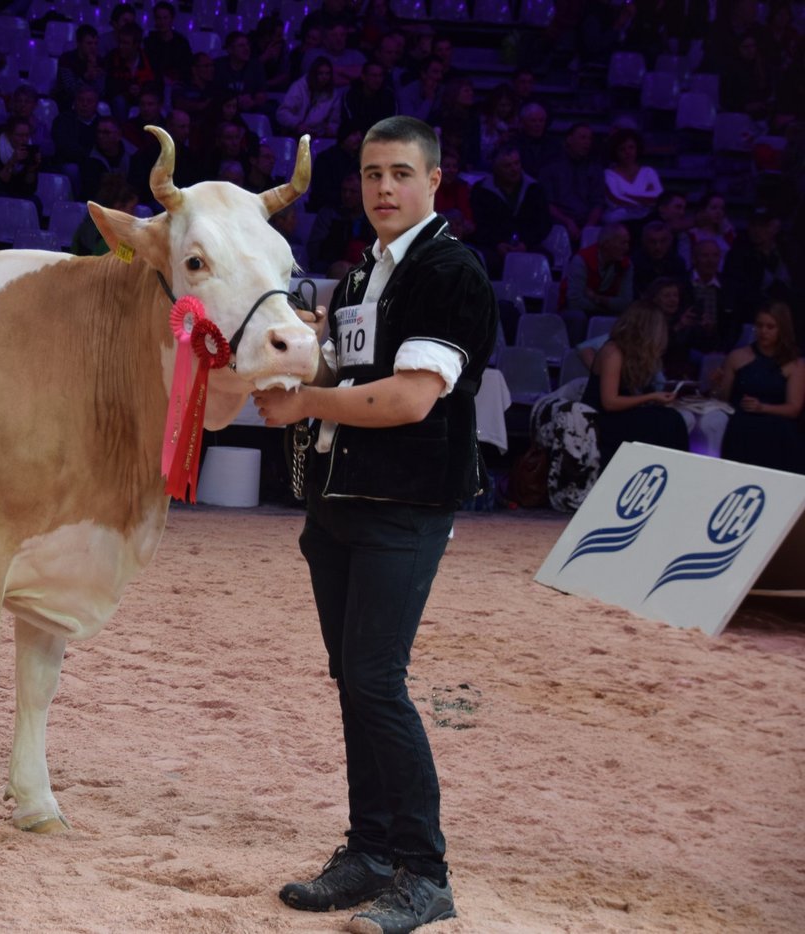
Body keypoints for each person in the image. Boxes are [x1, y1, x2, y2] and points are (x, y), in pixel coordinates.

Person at [254, 115, 496, 934]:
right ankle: (370, 852)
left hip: (405, 506)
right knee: (356, 680)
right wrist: (303, 352)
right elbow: (352, 371)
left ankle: (425, 873)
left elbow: (407, 399)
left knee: (377, 681)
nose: (383, 189)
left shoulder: (448, 271)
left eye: (399, 173)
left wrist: (304, 400)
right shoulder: (362, 274)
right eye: (369, 175)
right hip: (340, 503)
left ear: (434, 180)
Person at [582, 300, 690, 464]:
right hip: (601, 419)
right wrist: (651, 397)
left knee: (672, 418)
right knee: (667, 422)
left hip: (622, 414)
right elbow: (609, 402)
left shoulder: (634, 353)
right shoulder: (613, 352)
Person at [716, 301, 805, 473]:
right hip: (742, 422)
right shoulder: (738, 356)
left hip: (778, 423)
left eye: (770, 327)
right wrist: (716, 385)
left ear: (782, 329)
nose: (763, 331)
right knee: (740, 426)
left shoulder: (795, 364)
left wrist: (762, 407)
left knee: (779, 432)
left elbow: (794, 408)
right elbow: (723, 400)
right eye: (759, 325)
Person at [469, 145, 552, 278]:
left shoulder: (534, 188)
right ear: (495, 168)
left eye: (516, 163)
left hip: (527, 245)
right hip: (494, 247)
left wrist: (525, 243)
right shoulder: (481, 191)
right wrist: (497, 244)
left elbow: (544, 223)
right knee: (486, 262)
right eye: (507, 166)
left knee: (544, 259)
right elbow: (477, 224)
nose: (514, 169)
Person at [561, 223, 634, 343]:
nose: (626, 248)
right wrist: (607, 307)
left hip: (598, 308)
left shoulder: (627, 265)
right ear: (606, 244)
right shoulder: (581, 260)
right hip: (574, 311)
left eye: (627, 243)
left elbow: (625, 303)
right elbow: (574, 301)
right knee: (577, 317)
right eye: (622, 243)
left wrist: (596, 298)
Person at [602, 127, 662, 226]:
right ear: (615, 152)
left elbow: (658, 197)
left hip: (646, 220)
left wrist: (626, 194)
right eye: (622, 149)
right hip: (618, 221)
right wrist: (645, 199)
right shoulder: (608, 174)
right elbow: (616, 199)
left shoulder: (648, 172)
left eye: (631, 147)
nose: (627, 152)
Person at [69, 172, 136, 255]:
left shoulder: (90, 221)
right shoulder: (106, 236)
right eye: (132, 209)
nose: (134, 214)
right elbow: (130, 258)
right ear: (118, 207)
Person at [277, 56, 341, 138]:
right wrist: (297, 124)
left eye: (327, 74)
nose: (324, 77)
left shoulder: (333, 94)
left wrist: (331, 129)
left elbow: (335, 121)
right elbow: (282, 113)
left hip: (319, 136)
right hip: (296, 132)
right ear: (314, 74)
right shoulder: (299, 87)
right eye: (320, 73)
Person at [632, 220, 688, 296]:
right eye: (652, 242)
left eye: (663, 241)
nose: (658, 247)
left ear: (670, 241)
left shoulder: (678, 263)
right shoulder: (634, 264)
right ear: (644, 241)